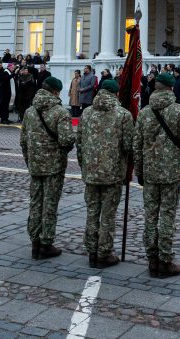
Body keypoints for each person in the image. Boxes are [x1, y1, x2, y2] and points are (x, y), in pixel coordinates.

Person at [134, 72, 180, 278]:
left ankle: (152, 260)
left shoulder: (145, 112)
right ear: (172, 88)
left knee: (150, 215)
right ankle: (165, 260)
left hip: (149, 172)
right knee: (167, 215)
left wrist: (139, 171)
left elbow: (136, 146)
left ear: (156, 88)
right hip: (171, 172)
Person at [77, 79, 134, 268]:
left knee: (92, 212)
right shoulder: (123, 115)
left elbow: (80, 143)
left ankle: (92, 251)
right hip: (113, 174)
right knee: (108, 215)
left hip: (91, 173)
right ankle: (104, 253)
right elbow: (128, 146)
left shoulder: (86, 113)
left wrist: (84, 166)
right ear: (116, 94)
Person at [21, 76, 75, 260]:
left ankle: (34, 242)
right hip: (54, 166)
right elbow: (66, 140)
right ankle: (46, 244)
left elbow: (23, 141)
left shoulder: (29, 111)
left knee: (36, 202)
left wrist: (30, 161)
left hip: (35, 165)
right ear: (56, 92)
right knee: (50, 204)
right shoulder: (60, 112)